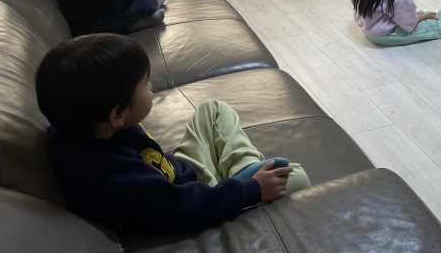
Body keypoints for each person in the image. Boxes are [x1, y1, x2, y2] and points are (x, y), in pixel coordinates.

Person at [35, 34, 309, 235]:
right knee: (295, 176)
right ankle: (246, 177)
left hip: (175, 173)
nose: (151, 86)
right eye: (145, 83)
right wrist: (250, 190)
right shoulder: (117, 180)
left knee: (213, 109)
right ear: (117, 115)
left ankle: (243, 169)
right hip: (192, 196)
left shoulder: (79, 126)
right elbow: (182, 207)